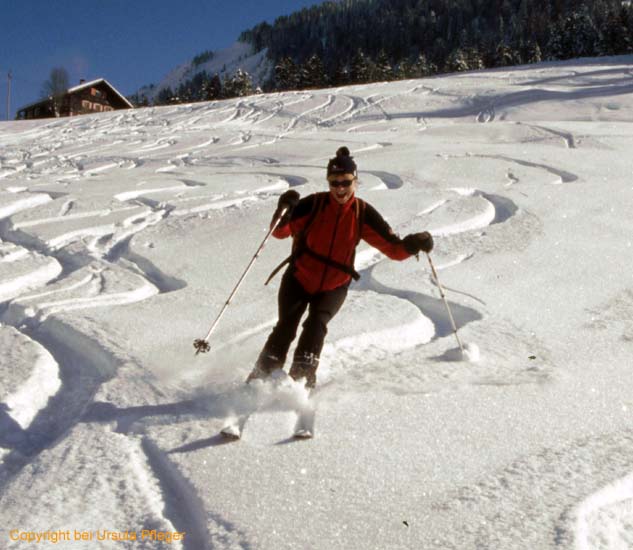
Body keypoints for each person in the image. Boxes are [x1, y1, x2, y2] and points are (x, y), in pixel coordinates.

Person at [247, 146, 433, 388]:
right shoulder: (313, 204)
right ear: (328, 182)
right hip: (299, 278)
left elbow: (393, 250)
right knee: (286, 326)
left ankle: (301, 379)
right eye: (334, 183)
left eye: (346, 182)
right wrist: (284, 209)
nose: (340, 189)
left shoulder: (362, 213)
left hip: (334, 284)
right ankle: (260, 377)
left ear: (355, 181)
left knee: (316, 325)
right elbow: (280, 232)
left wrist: (414, 244)